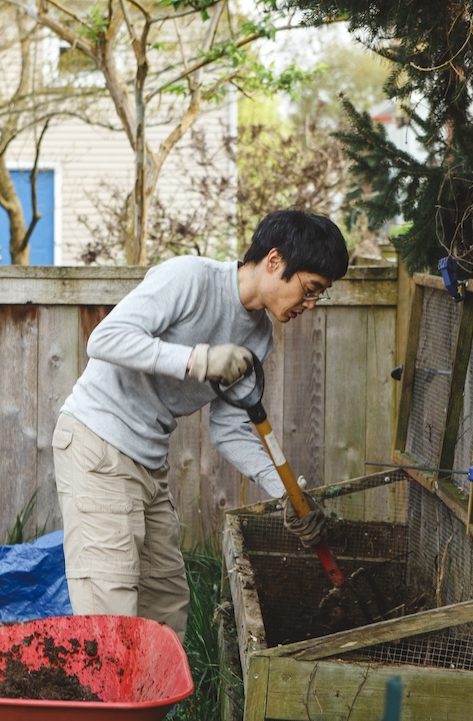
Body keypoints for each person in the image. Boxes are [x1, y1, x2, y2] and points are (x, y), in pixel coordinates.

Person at [52, 209, 349, 649]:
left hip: (149, 463)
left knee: (165, 610)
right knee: (108, 619)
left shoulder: (259, 337)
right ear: (273, 261)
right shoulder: (190, 278)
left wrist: (285, 491)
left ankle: (152, 719)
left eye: (317, 296)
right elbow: (105, 339)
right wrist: (198, 359)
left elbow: (229, 428)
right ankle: (102, 715)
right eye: (309, 290)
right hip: (97, 446)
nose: (309, 305)